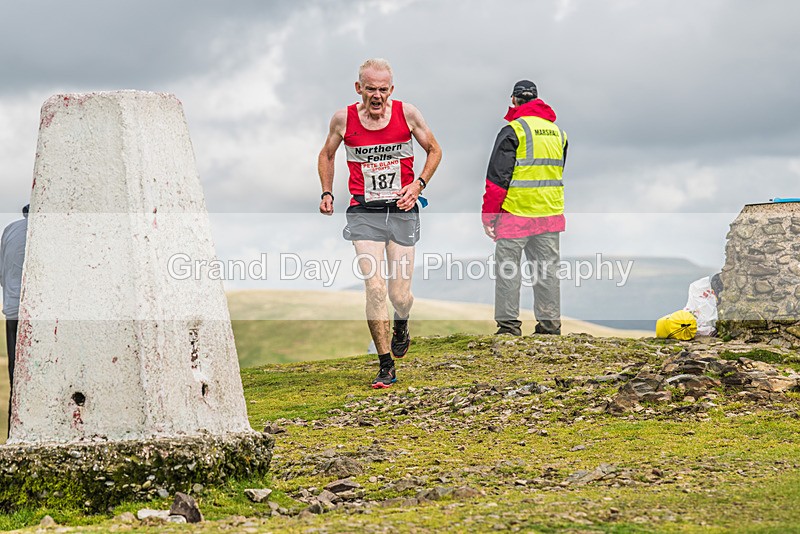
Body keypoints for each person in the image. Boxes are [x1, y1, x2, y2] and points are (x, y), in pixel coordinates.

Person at [318, 58, 441, 388]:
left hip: (402, 209)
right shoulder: (343, 119)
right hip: (364, 212)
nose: (377, 95)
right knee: (374, 288)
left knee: (399, 295)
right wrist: (327, 192)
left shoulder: (408, 114)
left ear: (391, 89)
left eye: (382, 89)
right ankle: (385, 364)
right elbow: (327, 154)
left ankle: (402, 320)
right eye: (370, 89)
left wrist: (418, 185)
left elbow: (434, 150)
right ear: (359, 88)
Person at [482, 80, 567, 336]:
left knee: (508, 271)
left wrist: (489, 216)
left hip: (515, 213)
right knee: (547, 272)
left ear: (514, 100)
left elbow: (497, 180)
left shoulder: (512, 131)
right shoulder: (558, 134)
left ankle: (508, 328)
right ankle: (550, 327)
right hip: (549, 213)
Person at [1, 204, 29, 436]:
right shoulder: (43, 233)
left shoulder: (10, 229)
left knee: (15, 377)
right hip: (32, 314)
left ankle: (14, 433)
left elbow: (2, 275)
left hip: (11, 311)